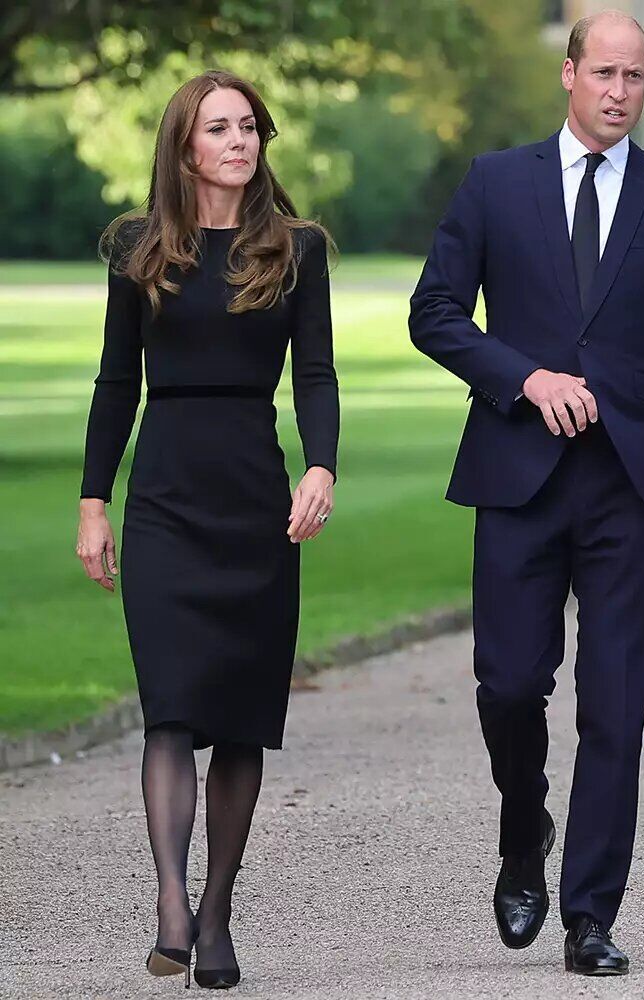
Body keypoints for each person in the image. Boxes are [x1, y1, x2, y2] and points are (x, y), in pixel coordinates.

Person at [407, 10, 644, 977]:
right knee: (509, 685)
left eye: (635, 76)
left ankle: (590, 914)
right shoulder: (496, 183)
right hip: (517, 475)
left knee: (616, 709)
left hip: (628, 486)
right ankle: (523, 825)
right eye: (604, 73)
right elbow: (433, 313)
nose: (620, 91)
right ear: (569, 74)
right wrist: (523, 378)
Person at [75, 70, 338, 989]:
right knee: (172, 711)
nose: (239, 141)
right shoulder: (138, 249)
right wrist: (93, 502)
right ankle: (172, 906)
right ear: (184, 146)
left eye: (249, 127)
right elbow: (115, 384)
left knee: (239, 721)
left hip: (253, 503)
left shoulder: (297, 249)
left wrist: (320, 465)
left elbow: (317, 376)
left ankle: (218, 913)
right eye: (219, 127)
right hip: (164, 503)